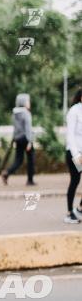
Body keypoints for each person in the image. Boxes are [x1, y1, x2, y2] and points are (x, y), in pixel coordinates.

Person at [1, 93, 35, 186]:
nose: (29, 103)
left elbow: (15, 128)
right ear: (24, 102)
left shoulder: (15, 113)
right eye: (28, 101)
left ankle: (7, 172)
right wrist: (30, 142)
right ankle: (30, 180)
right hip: (26, 138)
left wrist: (15, 139)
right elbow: (28, 128)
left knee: (18, 160)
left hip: (18, 138)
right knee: (31, 160)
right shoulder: (26, 113)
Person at [64, 88, 82, 224]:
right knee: (75, 180)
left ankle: (80, 208)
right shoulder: (74, 111)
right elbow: (70, 135)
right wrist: (76, 155)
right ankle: (69, 213)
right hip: (74, 153)